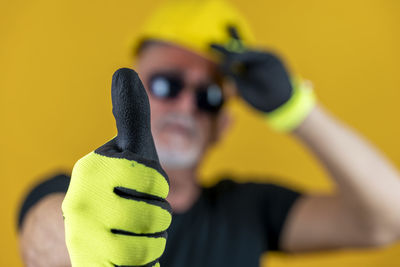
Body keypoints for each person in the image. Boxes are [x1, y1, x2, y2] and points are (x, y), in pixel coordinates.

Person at [18, 0, 400, 266]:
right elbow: (44, 241)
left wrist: (295, 108)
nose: (186, 105)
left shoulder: (248, 210)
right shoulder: (69, 192)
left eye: (209, 95)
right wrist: (83, 227)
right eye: (168, 84)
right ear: (130, 94)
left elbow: (389, 218)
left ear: (223, 126)